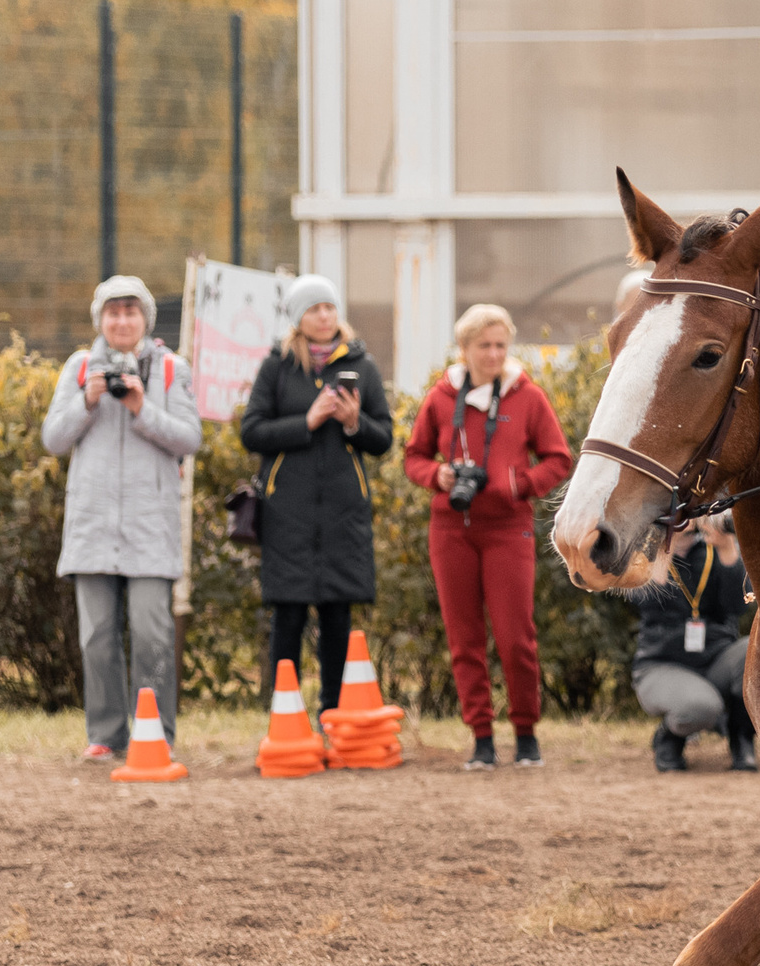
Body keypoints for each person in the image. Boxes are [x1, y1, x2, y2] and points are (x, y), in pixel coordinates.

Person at [403, 304, 574, 770]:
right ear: (465, 349)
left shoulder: (527, 396)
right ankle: (480, 737)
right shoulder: (441, 397)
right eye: (485, 345)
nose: (495, 354)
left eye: (501, 344)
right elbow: (413, 456)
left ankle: (525, 733)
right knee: (464, 639)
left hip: (507, 528)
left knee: (516, 636)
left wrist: (518, 484)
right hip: (451, 529)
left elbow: (559, 459)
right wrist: (437, 475)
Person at [41, 275, 202, 759]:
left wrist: (140, 407)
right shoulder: (80, 367)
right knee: (96, 639)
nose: (122, 321)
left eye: (131, 311)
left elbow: (189, 439)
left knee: (153, 636)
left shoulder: (172, 369)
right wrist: (88, 401)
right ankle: (106, 737)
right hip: (93, 528)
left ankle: (156, 735)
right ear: (101, 320)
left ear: (145, 319)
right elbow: (53, 438)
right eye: (113, 312)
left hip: (150, 531)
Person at [239, 275, 392, 717]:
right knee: (287, 616)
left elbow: (383, 439)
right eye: (314, 309)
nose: (324, 316)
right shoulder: (277, 366)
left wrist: (352, 422)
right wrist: (306, 421)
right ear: (297, 319)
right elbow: (252, 432)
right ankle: (284, 713)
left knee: (337, 618)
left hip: (344, 515)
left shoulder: (363, 365)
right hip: (287, 514)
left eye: (329, 307)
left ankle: (332, 713)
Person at [633, 516, 754, 773]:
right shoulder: (646, 548)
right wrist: (668, 540)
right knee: (700, 707)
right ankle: (670, 736)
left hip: (716, 659)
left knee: (754, 653)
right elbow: (647, 601)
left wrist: (726, 547)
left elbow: (739, 605)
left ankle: (741, 739)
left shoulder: (713, 549)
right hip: (661, 665)